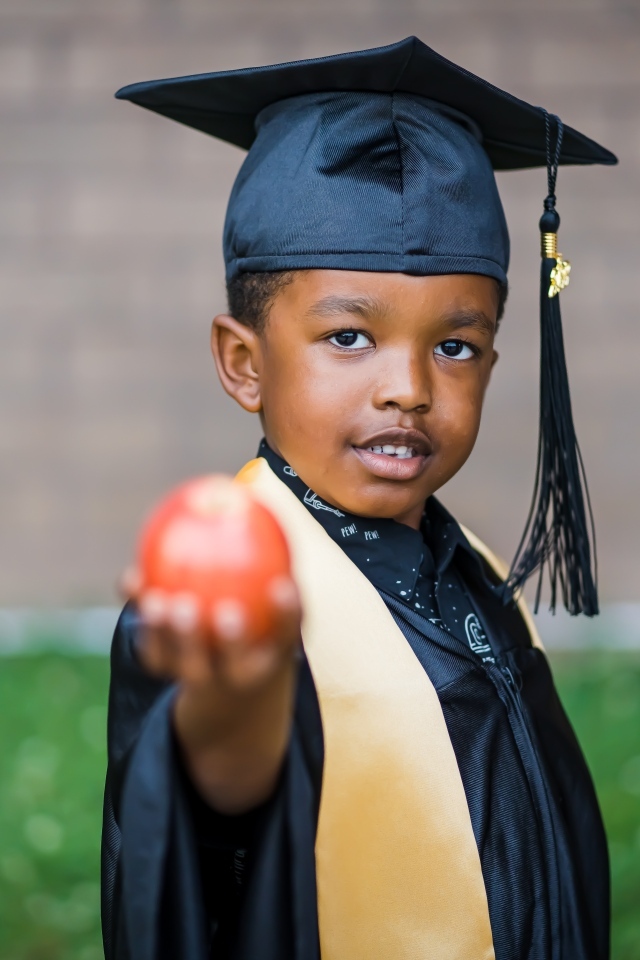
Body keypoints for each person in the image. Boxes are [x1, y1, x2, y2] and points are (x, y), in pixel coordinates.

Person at [102, 37, 617, 960]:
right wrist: (232, 706)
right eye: (348, 338)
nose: (408, 387)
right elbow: (206, 830)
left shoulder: (473, 575)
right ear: (243, 363)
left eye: (456, 347)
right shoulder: (236, 602)